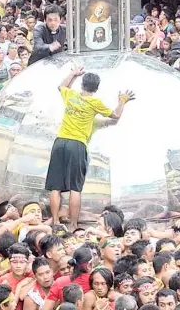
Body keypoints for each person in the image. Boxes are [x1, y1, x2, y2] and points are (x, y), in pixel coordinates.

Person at [45, 65, 135, 229]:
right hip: (77, 144)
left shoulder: (71, 95)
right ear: (97, 88)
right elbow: (115, 116)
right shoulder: (95, 103)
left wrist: (73, 73)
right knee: (75, 188)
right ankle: (73, 224)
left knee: (55, 187)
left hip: (60, 142)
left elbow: (61, 86)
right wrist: (122, 101)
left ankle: (56, 222)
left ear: (82, 84)